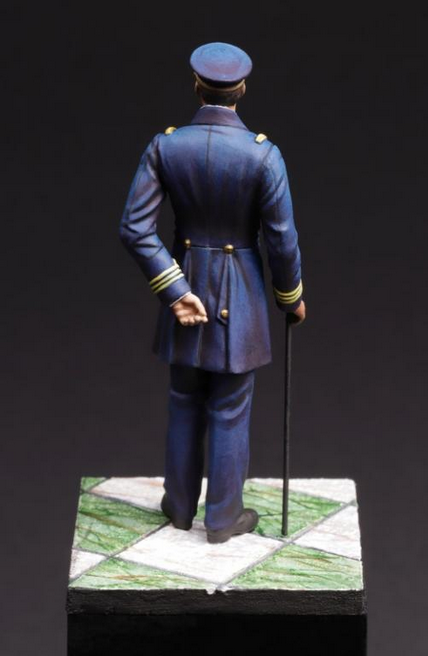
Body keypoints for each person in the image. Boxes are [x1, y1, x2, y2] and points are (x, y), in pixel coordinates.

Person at [119, 42, 306, 544]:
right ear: (242, 89)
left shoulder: (166, 146)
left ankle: (179, 506)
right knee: (230, 407)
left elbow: (135, 228)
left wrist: (174, 289)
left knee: (183, 399)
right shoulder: (263, 154)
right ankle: (223, 518)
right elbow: (282, 240)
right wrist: (290, 297)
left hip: (183, 288)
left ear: (196, 86)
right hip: (240, 297)